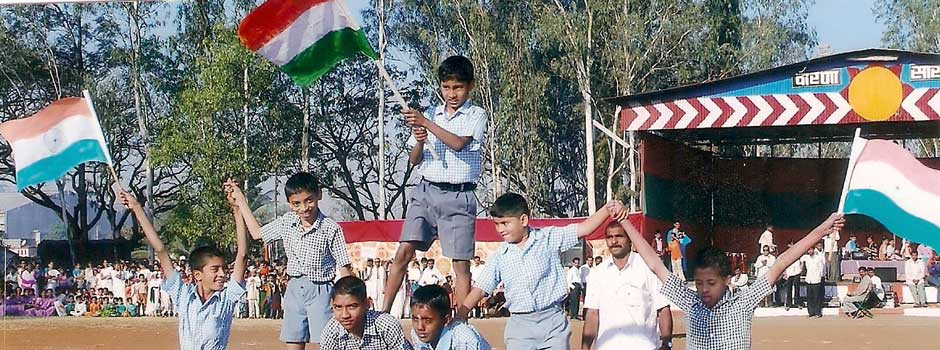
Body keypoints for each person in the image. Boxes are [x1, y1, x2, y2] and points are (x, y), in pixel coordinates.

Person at [619, 210, 844, 350]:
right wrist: (626, 222)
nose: (703, 289)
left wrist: (822, 230)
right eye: (698, 283)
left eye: (711, 283)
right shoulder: (690, 302)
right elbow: (654, 264)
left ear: (727, 279)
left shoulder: (743, 302)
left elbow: (781, 263)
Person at [382, 55, 488, 315]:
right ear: (440, 86)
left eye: (458, 87)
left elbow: (459, 143)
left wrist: (426, 124)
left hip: (459, 195)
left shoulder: (476, 115)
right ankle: (383, 313)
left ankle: (462, 322)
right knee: (403, 251)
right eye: (446, 87)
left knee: (460, 264)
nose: (452, 94)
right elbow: (414, 159)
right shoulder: (430, 113)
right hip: (426, 191)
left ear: (470, 86)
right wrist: (419, 139)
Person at [456, 193, 626, 350]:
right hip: (519, 328)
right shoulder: (499, 256)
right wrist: (461, 313)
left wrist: (607, 208)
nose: (500, 229)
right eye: (496, 224)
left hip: (553, 322)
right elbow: (480, 288)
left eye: (505, 223)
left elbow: (584, 228)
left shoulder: (548, 238)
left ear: (523, 220)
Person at [228, 173, 352, 350]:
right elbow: (257, 233)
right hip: (294, 289)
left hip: (322, 291)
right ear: (290, 203)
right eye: (297, 203)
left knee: (325, 343)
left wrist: (350, 300)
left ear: (319, 195)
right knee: (293, 343)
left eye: (309, 200)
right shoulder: (287, 222)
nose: (304, 208)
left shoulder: (331, 228)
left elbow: (344, 267)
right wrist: (240, 200)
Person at [120, 187, 247, 350]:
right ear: (198, 275)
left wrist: (237, 210)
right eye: (215, 269)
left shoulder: (226, 300)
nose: (222, 274)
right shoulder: (183, 295)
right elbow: (161, 250)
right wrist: (137, 207)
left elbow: (242, 255)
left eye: (224, 269)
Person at [581, 222, 673, 350]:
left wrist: (667, 343)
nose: (614, 241)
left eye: (619, 236)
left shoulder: (649, 269)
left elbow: (663, 309)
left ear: (630, 238)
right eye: (610, 237)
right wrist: (584, 347)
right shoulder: (597, 273)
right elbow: (592, 314)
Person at [319, 276, 411, 350]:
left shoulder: (386, 326)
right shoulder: (332, 331)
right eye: (338, 307)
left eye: (352, 306)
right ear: (332, 305)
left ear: (367, 304)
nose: (345, 315)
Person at [410, 284, 490, 350]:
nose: (420, 327)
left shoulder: (464, 340)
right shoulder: (417, 335)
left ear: (446, 320)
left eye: (427, 320)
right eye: (415, 319)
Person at [801, 243, 826, 318]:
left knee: (817, 297)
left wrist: (821, 277)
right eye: (808, 250)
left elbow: (822, 268)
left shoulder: (818, 258)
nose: (809, 251)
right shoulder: (806, 258)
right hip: (809, 279)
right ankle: (811, 312)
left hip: (816, 279)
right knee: (809, 297)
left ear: (813, 249)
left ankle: (818, 312)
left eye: (811, 249)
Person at [781, 242, 802, 310]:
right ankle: (788, 303)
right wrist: (785, 272)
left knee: (797, 288)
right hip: (789, 272)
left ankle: (797, 303)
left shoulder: (798, 252)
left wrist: (801, 269)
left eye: (793, 244)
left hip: (797, 272)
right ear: (788, 245)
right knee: (789, 288)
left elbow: (801, 262)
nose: (791, 245)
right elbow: (784, 263)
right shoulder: (786, 254)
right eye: (790, 244)